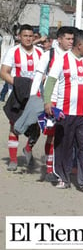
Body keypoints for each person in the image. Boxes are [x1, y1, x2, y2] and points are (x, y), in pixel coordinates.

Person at [43, 29, 83, 190]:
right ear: (79, 45)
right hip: (65, 112)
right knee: (64, 146)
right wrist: (47, 102)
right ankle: (63, 178)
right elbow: (50, 81)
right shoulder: (62, 59)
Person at [30, 26, 75, 182]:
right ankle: (49, 169)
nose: (71, 42)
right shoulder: (49, 55)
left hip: (69, 103)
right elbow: (39, 75)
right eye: (68, 39)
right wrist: (32, 97)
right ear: (59, 39)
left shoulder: (75, 56)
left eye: (72, 39)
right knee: (51, 134)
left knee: (65, 136)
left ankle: (64, 167)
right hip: (52, 101)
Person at [0, 24, 43, 171]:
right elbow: (4, 72)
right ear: (19, 37)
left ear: (34, 37)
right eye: (25, 36)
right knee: (15, 127)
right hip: (17, 96)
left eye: (31, 36)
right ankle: (13, 160)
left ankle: (28, 148)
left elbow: (45, 73)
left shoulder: (40, 52)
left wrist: (38, 82)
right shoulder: (13, 52)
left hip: (35, 96)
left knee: (37, 127)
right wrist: (20, 85)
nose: (28, 38)